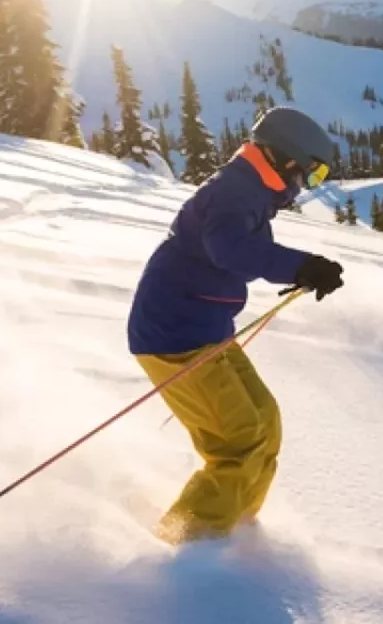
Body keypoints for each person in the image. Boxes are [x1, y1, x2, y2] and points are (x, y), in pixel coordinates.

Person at [126, 106, 345, 545]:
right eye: (311, 175)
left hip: (202, 331)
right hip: (173, 336)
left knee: (264, 420)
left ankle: (236, 522)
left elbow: (235, 252)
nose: (307, 186)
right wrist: (302, 266)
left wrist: (302, 268)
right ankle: (188, 543)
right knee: (238, 442)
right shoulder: (235, 193)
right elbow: (230, 249)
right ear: (285, 160)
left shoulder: (251, 192)